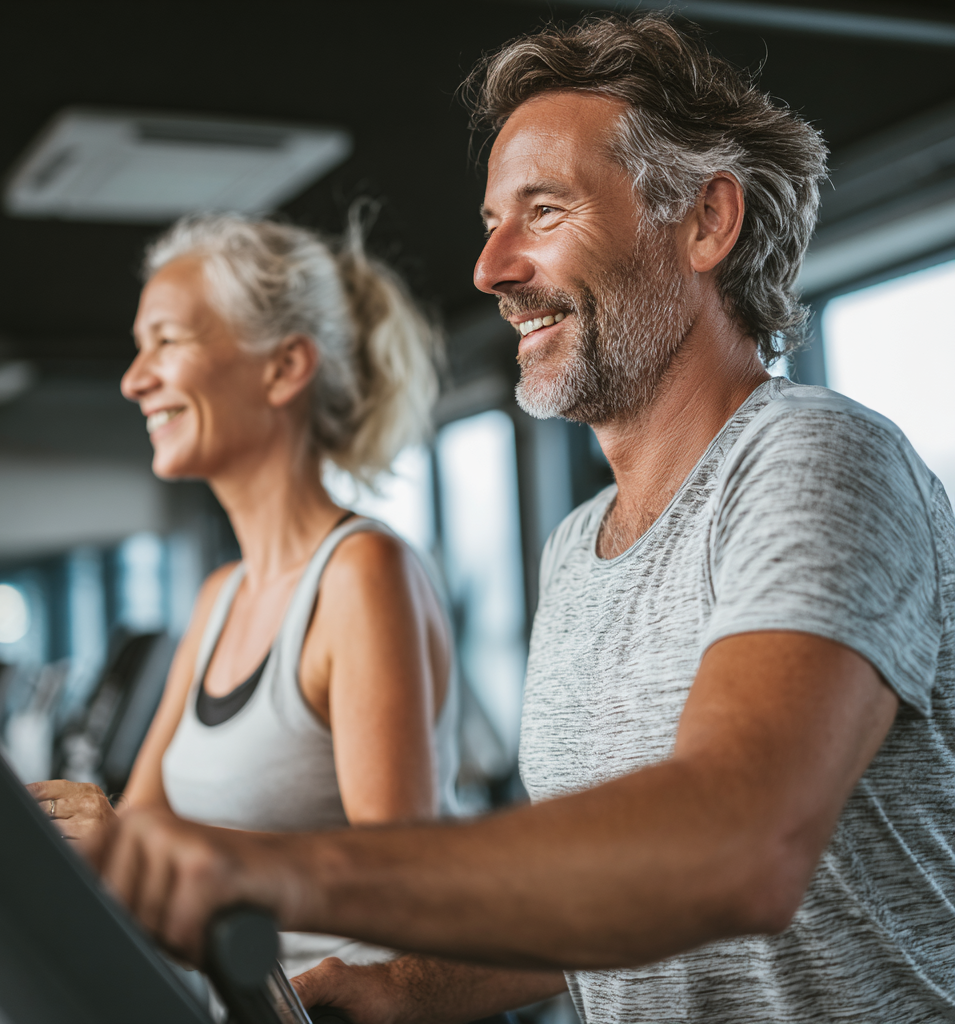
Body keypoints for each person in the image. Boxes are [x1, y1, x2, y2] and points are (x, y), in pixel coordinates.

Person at [86, 15, 955, 1024]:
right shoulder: (576, 549)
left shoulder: (812, 455)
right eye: (492, 220)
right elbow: (596, 903)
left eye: (542, 211)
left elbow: (736, 849)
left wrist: (250, 870)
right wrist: (397, 987)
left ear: (705, 222)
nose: (489, 267)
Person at [30, 211, 460, 978]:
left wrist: (140, 845)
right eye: (138, 349)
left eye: (166, 340)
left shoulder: (361, 575)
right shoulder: (221, 597)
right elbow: (143, 830)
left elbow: (405, 882)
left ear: (284, 367)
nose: (134, 379)